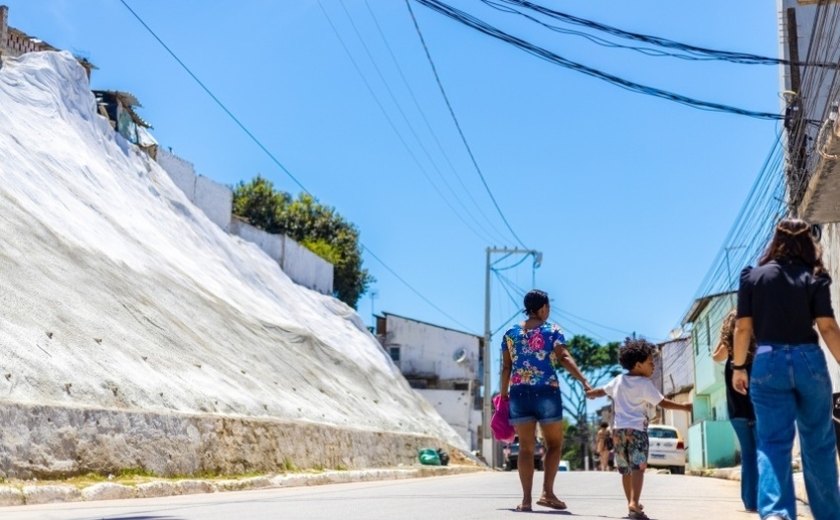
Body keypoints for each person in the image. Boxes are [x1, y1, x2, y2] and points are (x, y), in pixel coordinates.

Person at [732, 218, 840, 520]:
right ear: (809, 241)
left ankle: (777, 513)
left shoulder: (752, 277)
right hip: (809, 361)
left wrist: (739, 367)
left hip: (767, 362)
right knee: (818, 441)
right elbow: (828, 327)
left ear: (775, 240)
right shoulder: (815, 276)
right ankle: (830, 515)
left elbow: (742, 328)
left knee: (773, 442)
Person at [499, 289, 591, 512]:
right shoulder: (552, 330)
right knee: (555, 445)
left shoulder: (510, 333)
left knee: (526, 449)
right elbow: (564, 357)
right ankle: (548, 493)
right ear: (542, 308)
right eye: (548, 307)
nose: (548, 312)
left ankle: (526, 501)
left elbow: (506, 367)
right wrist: (583, 381)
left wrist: (503, 395)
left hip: (519, 392)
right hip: (546, 391)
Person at [586, 338, 692, 520]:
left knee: (625, 469)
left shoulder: (618, 380)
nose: (653, 367)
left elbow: (602, 391)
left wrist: (591, 393)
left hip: (618, 432)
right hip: (637, 431)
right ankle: (634, 502)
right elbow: (663, 402)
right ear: (638, 364)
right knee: (638, 468)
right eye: (650, 363)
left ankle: (631, 505)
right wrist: (685, 407)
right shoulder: (644, 384)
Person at [711, 308, 758, 513]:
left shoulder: (730, 355)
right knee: (763, 452)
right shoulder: (759, 348)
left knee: (748, 454)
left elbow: (715, 356)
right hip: (759, 409)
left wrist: (726, 337)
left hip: (737, 410)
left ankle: (750, 502)